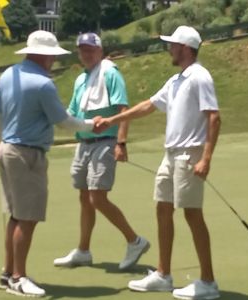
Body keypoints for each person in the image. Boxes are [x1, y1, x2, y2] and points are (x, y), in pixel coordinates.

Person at [95, 26, 222, 300]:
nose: (169, 49)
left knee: (192, 214)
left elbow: (214, 117)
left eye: (173, 45)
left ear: (185, 48)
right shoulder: (176, 80)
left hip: (190, 154)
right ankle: (163, 275)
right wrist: (112, 121)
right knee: (163, 209)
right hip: (171, 154)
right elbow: (148, 106)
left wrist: (207, 159)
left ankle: (208, 281)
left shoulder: (200, 77)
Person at [0, 30, 99, 297]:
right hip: (27, 154)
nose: (53, 61)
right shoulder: (42, 83)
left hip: (7, 149)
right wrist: (91, 125)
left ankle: (8, 273)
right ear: (42, 56)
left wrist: (0, 140)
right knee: (26, 219)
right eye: (51, 56)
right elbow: (63, 121)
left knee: (16, 216)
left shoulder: (9, 74)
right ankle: (18, 277)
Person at [53, 32, 150, 271]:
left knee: (98, 198)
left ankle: (135, 241)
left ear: (100, 50)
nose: (86, 54)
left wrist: (121, 142)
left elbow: (123, 109)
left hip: (105, 141)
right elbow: (73, 112)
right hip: (83, 144)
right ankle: (83, 251)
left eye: (90, 49)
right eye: (82, 50)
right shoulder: (80, 80)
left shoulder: (110, 73)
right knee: (84, 198)